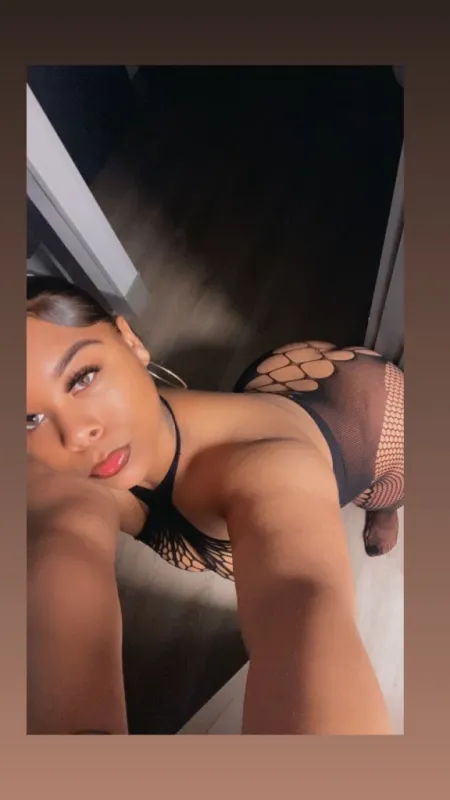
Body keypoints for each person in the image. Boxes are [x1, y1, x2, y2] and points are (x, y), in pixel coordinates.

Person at [27, 275, 403, 735]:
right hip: (272, 392)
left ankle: (384, 507)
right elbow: (62, 551)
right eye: (29, 417)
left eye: (82, 377)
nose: (76, 435)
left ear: (130, 341)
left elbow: (302, 598)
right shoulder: (59, 469)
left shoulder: (271, 470)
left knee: (385, 489)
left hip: (373, 417)